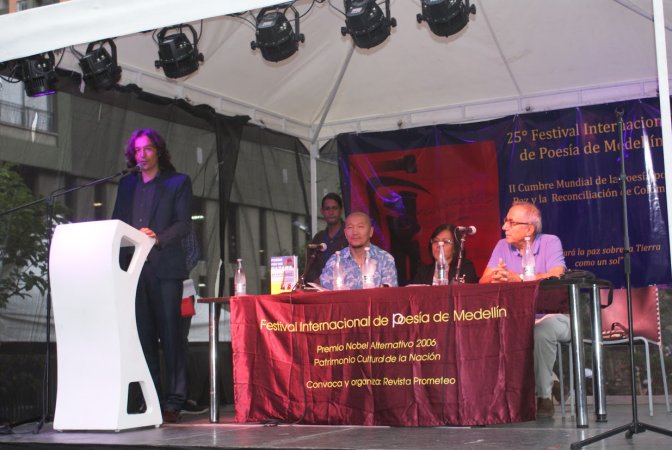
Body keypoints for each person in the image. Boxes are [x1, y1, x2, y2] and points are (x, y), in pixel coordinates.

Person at [112, 128, 192, 423]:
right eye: (137, 150)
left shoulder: (177, 182)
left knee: (171, 336)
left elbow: (183, 224)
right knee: (143, 338)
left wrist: (157, 237)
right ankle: (151, 400)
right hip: (134, 271)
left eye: (147, 149)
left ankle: (174, 400)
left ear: (158, 151)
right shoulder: (127, 185)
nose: (142, 155)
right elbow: (117, 223)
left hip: (165, 269)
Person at [479, 201, 566, 419]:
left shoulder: (550, 242)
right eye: (505, 221)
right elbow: (483, 281)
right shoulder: (502, 246)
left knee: (541, 331)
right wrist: (496, 277)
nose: (504, 227)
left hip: (556, 316)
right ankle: (549, 380)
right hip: (518, 318)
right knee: (491, 328)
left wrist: (517, 279)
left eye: (511, 222)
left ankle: (544, 397)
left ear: (529, 229)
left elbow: (557, 275)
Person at [320, 211, 398, 289]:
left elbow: (389, 294)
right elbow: (325, 293)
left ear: (371, 232)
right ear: (345, 233)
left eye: (360, 226)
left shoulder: (384, 259)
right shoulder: (335, 261)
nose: (355, 232)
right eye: (350, 227)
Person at [411, 224, 479, 284]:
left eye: (445, 242)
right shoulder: (423, 272)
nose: (439, 245)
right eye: (435, 241)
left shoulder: (465, 268)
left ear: (455, 247)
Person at [304, 193, 348, 283]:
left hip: (345, 286)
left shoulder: (349, 235)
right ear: (322, 211)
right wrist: (318, 282)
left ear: (341, 210)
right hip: (320, 288)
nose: (331, 212)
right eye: (327, 209)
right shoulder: (318, 238)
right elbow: (310, 269)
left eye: (334, 208)